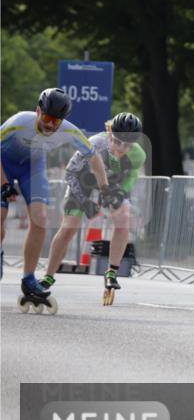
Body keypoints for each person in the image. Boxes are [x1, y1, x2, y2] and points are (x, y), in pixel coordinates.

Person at [1, 88, 110, 298]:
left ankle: (29, 279)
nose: (50, 124)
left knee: (41, 218)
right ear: (38, 111)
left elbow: (94, 157)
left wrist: (104, 188)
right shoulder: (19, 121)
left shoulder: (68, 130)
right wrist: (4, 182)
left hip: (32, 167)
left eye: (56, 121)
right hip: (3, 164)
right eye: (48, 117)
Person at [40, 112, 146, 297]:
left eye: (127, 145)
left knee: (124, 218)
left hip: (112, 184)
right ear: (110, 133)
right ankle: (48, 276)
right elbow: (70, 173)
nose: (121, 149)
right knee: (69, 228)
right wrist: (84, 201)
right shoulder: (94, 143)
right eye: (117, 141)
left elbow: (131, 176)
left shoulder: (138, 154)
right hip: (83, 183)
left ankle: (112, 272)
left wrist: (121, 191)